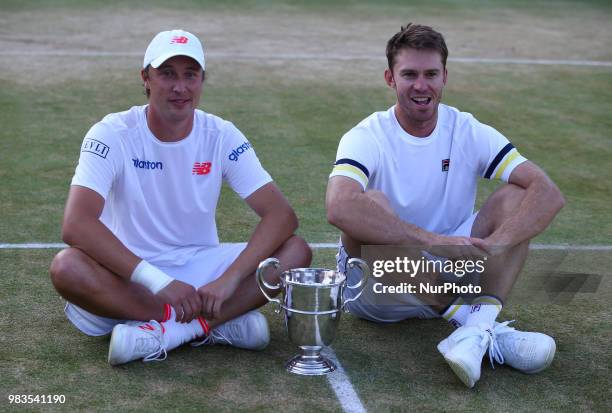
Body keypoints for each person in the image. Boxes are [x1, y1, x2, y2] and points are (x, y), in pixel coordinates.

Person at [49, 29, 311, 366]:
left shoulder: (221, 134)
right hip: (127, 278)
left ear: (203, 79)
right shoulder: (111, 133)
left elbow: (281, 216)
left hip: (199, 272)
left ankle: (176, 331)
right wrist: (160, 282)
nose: (180, 87)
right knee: (67, 266)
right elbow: (76, 224)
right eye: (167, 74)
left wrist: (228, 282)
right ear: (146, 78)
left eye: (191, 75)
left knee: (295, 251)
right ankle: (212, 324)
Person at [325, 23, 565, 388]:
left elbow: (548, 193)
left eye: (431, 74)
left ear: (445, 77)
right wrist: (429, 241)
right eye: (409, 74)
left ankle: (477, 326)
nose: (421, 85)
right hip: (379, 285)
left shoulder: (466, 128)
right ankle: (473, 322)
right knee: (369, 205)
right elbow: (339, 207)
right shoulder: (366, 135)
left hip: (454, 266)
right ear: (390, 78)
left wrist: (498, 245)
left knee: (519, 198)